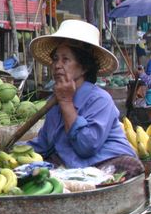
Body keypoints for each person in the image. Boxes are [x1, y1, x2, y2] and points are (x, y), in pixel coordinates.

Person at [28, 20, 144, 178]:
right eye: (55, 59)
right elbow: (44, 143)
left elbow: (86, 146)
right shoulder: (53, 102)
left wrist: (67, 103)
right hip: (71, 167)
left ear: (84, 67)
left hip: (105, 161)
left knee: (129, 167)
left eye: (65, 59)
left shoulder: (100, 99)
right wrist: (11, 152)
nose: (57, 65)